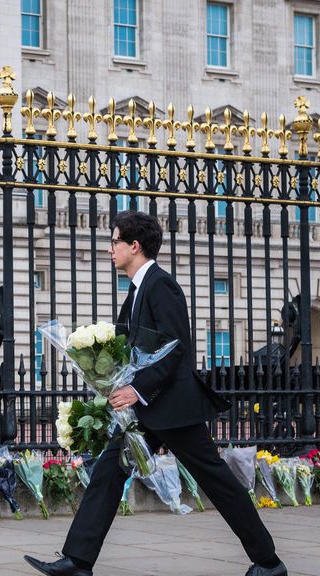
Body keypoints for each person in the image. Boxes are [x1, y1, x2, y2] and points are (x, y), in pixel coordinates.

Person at [24, 211, 286, 576]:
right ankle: (78, 561)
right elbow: (135, 351)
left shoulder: (161, 285)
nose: (110, 248)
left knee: (217, 481)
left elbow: (175, 346)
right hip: (146, 408)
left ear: (135, 246)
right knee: (108, 473)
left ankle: (268, 562)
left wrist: (136, 388)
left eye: (115, 241)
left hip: (172, 407)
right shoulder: (136, 290)